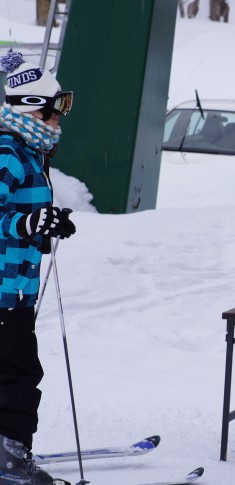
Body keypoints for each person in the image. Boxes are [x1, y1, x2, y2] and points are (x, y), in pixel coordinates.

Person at [0, 52, 77, 485]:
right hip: (4, 293)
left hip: (16, 288)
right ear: (33, 109)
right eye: (54, 113)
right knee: (19, 376)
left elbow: (19, 214)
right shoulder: (8, 152)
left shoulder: (27, 153)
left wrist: (47, 224)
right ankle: (9, 462)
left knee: (11, 373)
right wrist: (28, 222)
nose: (57, 123)